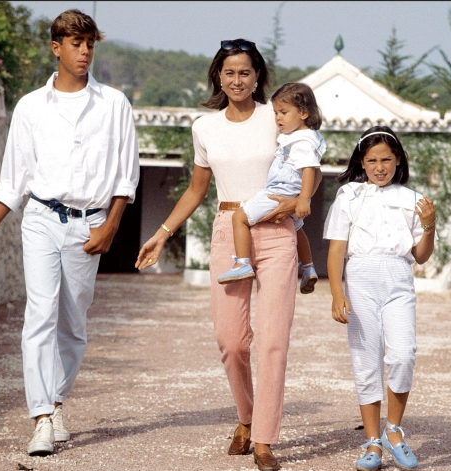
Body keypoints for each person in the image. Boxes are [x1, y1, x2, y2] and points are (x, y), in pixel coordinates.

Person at [0, 9, 140, 456]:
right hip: (39, 218)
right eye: (76, 44)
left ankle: (57, 401)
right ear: (56, 48)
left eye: (90, 44)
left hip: (89, 222)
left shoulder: (114, 104)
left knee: (73, 323)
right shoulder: (31, 107)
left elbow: (125, 177)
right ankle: (41, 416)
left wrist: (111, 226)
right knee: (39, 315)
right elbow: (14, 181)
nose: (85, 52)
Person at [136, 39, 320, 471]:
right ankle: (246, 416)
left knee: (273, 342)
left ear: (258, 77)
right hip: (228, 229)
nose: (237, 80)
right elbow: (198, 189)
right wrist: (162, 234)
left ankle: (264, 440)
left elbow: (307, 166)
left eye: (245, 72)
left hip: (276, 231)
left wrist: (296, 206)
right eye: (229, 72)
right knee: (232, 343)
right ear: (218, 76)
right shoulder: (205, 127)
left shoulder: (278, 120)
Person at [324, 126, 437, 471]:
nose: (379, 166)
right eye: (372, 160)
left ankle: (394, 431)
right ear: (362, 161)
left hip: (398, 279)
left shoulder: (412, 199)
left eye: (386, 159)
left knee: (403, 355)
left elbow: (421, 256)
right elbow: (336, 250)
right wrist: (336, 292)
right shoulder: (350, 195)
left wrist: (430, 225)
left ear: (398, 159)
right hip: (359, 279)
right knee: (366, 359)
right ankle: (372, 442)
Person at [216, 82, 325, 295]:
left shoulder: (303, 141)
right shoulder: (304, 137)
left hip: (280, 192)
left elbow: (310, 169)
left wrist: (304, 199)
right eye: (276, 113)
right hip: (292, 193)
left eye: (284, 112)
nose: (278, 118)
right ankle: (309, 266)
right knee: (297, 228)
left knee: (239, 218)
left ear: (303, 113)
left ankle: (242, 263)